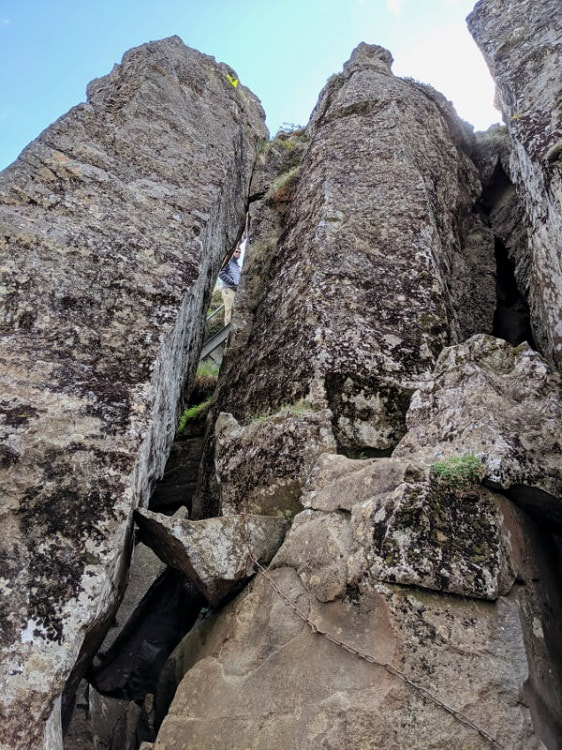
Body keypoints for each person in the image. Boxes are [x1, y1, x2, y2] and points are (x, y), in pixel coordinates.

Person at [219, 245, 242, 325]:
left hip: (236, 290)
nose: (238, 254)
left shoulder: (237, 265)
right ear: (232, 252)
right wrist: (232, 282)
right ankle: (227, 330)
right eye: (236, 252)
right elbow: (221, 273)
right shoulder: (227, 261)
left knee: (236, 309)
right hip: (228, 289)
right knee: (229, 310)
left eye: (239, 252)